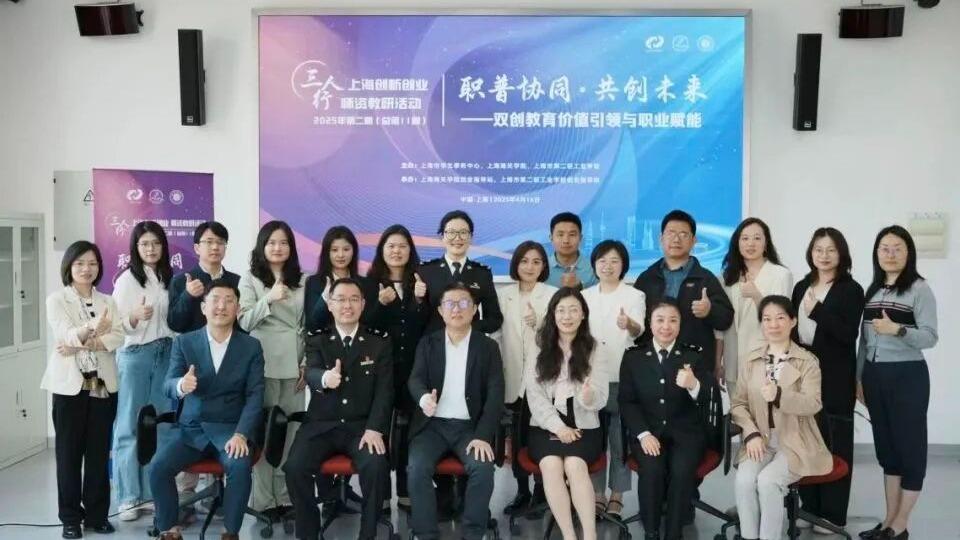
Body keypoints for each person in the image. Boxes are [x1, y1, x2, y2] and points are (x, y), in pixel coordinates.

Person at [149, 279, 266, 540]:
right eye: (215, 300)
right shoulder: (185, 342)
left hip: (231, 431)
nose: (221, 306)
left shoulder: (251, 346)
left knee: (239, 466)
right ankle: (169, 529)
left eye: (229, 301)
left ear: (238, 309)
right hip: (191, 430)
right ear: (203, 307)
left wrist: (242, 434)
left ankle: (230, 532)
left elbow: (255, 396)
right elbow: (168, 385)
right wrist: (181, 385)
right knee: (158, 467)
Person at [283, 277, 393, 540]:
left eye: (354, 299)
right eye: (340, 299)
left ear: (363, 304)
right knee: (294, 468)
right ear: (330, 305)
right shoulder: (318, 339)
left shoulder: (378, 342)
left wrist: (375, 429)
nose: (347, 305)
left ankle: (368, 534)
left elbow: (385, 392)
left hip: (361, 428)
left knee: (376, 467)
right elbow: (310, 372)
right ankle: (308, 533)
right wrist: (324, 378)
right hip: (321, 425)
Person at [857, 226, 938, 540]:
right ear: (877, 253)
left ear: (908, 253)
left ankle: (901, 523)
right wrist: (859, 378)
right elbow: (863, 341)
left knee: (910, 450)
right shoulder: (873, 290)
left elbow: (930, 337)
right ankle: (888, 521)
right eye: (884, 248)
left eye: (897, 248)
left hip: (907, 376)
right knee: (888, 453)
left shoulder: (919, 289)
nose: (890, 254)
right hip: (874, 376)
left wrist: (898, 330)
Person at [406, 283, 505, 540]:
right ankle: (425, 534)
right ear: (440, 311)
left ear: (474, 310)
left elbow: (495, 395)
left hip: (470, 429)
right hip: (432, 427)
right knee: (416, 467)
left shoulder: (488, 347)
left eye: (463, 303)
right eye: (450, 304)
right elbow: (415, 379)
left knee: (482, 468)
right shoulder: (428, 343)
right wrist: (423, 398)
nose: (456, 309)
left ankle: (473, 533)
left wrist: (483, 435)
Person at [41, 240, 124, 539]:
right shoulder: (57, 300)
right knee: (69, 455)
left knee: (99, 453)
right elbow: (64, 335)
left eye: (92, 263)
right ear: (69, 267)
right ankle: (70, 519)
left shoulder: (108, 301)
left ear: (99, 267)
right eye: (79, 263)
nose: (86, 269)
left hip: (102, 385)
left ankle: (97, 516)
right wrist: (91, 329)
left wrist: (84, 342)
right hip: (69, 388)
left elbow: (118, 336)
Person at [732, 296, 831, 540]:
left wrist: (779, 395)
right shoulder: (751, 360)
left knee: (768, 482)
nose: (773, 324)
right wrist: (751, 434)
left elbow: (813, 403)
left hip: (795, 440)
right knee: (744, 481)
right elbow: (738, 404)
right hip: (760, 439)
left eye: (780, 318)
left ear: (793, 321)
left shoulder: (807, 361)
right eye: (767, 319)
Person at [620, 298, 713, 540]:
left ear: (680, 324)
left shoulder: (693, 355)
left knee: (681, 472)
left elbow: (709, 398)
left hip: (686, 434)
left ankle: (674, 533)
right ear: (650, 323)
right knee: (652, 469)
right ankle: (651, 531)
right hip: (648, 432)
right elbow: (627, 402)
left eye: (673, 320)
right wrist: (643, 434)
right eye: (660, 320)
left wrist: (693, 385)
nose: (666, 326)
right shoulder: (634, 357)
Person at [790, 227, 864, 533]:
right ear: (811, 252)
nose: (824, 255)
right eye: (818, 249)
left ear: (841, 254)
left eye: (831, 250)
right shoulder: (801, 286)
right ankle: (810, 507)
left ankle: (833, 514)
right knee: (806, 438)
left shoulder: (851, 289)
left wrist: (818, 311)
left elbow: (848, 334)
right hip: (802, 373)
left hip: (835, 376)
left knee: (835, 442)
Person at [166, 221, 241, 500]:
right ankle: (187, 495)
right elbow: (175, 322)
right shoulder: (181, 280)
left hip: (226, 365)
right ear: (197, 247)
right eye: (209, 242)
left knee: (222, 425)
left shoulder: (235, 281)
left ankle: (217, 496)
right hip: (192, 367)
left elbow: (241, 327)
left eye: (220, 242)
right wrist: (189, 296)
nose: (215, 247)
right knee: (191, 427)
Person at [526, 287, 607, 540]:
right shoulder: (539, 346)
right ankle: (569, 535)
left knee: (574, 464)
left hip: (584, 422)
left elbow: (601, 397)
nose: (567, 316)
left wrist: (588, 396)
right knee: (550, 465)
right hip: (545, 424)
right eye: (561, 310)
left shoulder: (594, 348)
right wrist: (559, 427)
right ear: (553, 314)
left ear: (583, 314)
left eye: (573, 310)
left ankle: (590, 535)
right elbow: (534, 396)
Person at [238, 221, 307, 518]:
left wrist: (306, 362)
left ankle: (286, 497)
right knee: (267, 433)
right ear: (262, 246)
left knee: (290, 432)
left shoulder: (304, 279)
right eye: (272, 242)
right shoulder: (250, 279)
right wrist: (268, 298)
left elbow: (310, 324)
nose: (278, 248)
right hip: (264, 363)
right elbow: (243, 322)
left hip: (296, 364)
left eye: (284, 242)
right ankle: (264, 500)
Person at [111, 221, 176, 522]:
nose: (151, 249)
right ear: (135, 248)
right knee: (129, 426)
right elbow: (116, 326)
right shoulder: (127, 280)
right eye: (145, 244)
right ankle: (128, 497)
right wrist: (134, 317)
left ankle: (151, 493)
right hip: (136, 355)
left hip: (165, 353)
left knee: (159, 424)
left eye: (156, 243)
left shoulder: (168, 278)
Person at [364, 224, 428, 512]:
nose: (397, 251)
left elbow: (427, 325)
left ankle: (405, 490)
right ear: (382, 250)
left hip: (414, 370)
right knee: (378, 430)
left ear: (410, 250)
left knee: (409, 434)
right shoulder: (370, 283)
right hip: (380, 370)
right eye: (391, 246)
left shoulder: (420, 282)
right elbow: (364, 326)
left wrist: (420, 300)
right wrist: (379, 303)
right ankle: (380, 494)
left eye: (402, 246)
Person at [581, 240, 645, 518]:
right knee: (594, 439)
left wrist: (628, 324)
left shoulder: (635, 295)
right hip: (591, 377)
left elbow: (639, 331)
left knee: (619, 440)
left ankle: (617, 495)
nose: (608, 266)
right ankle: (596, 494)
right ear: (594, 265)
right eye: (602, 261)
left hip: (622, 375)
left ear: (623, 265)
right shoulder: (584, 296)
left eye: (614, 261)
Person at [496, 241, 557, 516]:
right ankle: (522, 490)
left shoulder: (553, 295)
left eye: (536, 261)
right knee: (518, 437)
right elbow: (496, 335)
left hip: (542, 379)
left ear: (544, 266)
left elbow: (561, 335)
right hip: (511, 375)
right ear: (516, 264)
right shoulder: (504, 295)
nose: (530, 267)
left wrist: (539, 323)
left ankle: (542, 491)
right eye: (524, 261)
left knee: (540, 436)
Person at [633, 209, 733, 376]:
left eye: (683, 234)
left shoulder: (706, 279)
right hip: (654, 368)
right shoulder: (646, 278)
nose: (676, 239)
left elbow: (726, 319)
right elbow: (638, 326)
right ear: (661, 238)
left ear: (693, 241)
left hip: (695, 366)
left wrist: (709, 311)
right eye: (671, 233)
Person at [719, 217, 792, 389]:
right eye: (745, 238)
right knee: (737, 407)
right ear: (737, 243)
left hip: (765, 359)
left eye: (757, 238)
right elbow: (720, 327)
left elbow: (781, 320)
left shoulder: (781, 275)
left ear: (766, 243)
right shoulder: (726, 277)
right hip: (733, 363)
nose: (750, 243)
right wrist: (717, 361)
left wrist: (757, 296)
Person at [418, 210, 503, 335]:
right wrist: (417, 299)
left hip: (470, 343)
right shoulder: (425, 271)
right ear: (442, 237)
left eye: (463, 232)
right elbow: (415, 317)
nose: (457, 238)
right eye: (451, 233)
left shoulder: (482, 273)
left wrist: (467, 329)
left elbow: (494, 319)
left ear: (471, 237)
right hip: (434, 343)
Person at [303, 225, 377, 333]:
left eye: (346, 249)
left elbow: (369, 323)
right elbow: (312, 323)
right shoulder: (314, 282)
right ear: (326, 253)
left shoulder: (366, 284)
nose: (341, 255)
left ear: (354, 251)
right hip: (325, 342)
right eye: (334, 250)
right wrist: (325, 296)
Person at [545, 212, 599, 289]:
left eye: (572, 234)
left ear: (580, 238)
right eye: (560, 235)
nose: (566, 240)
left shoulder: (593, 269)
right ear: (551, 238)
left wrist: (580, 287)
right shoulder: (541, 268)